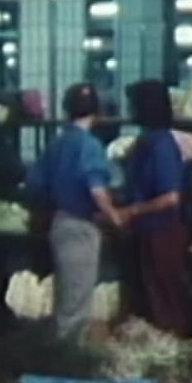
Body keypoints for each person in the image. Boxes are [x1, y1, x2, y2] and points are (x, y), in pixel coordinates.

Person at [29, 82, 123, 341]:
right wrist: (114, 216)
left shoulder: (58, 143)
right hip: (81, 226)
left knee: (66, 297)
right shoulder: (90, 145)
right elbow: (96, 188)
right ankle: (70, 365)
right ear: (98, 112)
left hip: (59, 223)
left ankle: (61, 357)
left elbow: (36, 183)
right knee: (77, 306)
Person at [120, 79, 192, 337]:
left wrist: (132, 211)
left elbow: (171, 196)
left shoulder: (162, 145)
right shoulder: (146, 142)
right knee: (152, 298)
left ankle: (172, 348)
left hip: (163, 232)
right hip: (148, 232)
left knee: (165, 298)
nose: (129, 109)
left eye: (133, 104)